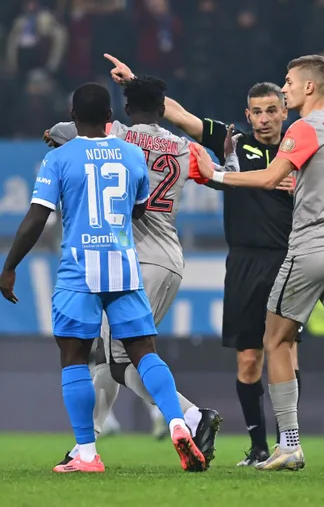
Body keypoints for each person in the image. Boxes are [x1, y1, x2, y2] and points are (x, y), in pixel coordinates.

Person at [105, 53, 303, 467]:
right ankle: (260, 447)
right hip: (245, 261)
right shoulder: (235, 143)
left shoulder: (301, 149)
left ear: (285, 111)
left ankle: (291, 443)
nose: (264, 119)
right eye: (258, 112)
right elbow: (176, 115)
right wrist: (134, 81)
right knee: (249, 360)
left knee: (285, 352)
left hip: (289, 260)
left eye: (272, 111)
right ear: (247, 114)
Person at [0, 82, 205, 473]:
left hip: (80, 268)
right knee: (144, 351)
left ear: (73, 116)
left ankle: (87, 453)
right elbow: (140, 210)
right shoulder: (131, 154)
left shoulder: (60, 158)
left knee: (76, 357)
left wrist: (9, 267)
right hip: (125, 266)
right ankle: (178, 422)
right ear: (111, 119)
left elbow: (36, 219)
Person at [44, 75, 240, 468]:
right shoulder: (185, 148)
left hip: (130, 257)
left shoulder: (116, 136)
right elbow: (224, 179)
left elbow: (64, 131)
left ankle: (190, 417)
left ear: (124, 109)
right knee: (111, 358)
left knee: (118, 360)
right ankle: (87, 444)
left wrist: (58, 134)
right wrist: (230, 155)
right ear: (164, 107)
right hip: (171, 257)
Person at [194, 54, 324, 472]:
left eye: (290, 82)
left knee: (274, 340)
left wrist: (214, 174)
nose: (286, 87)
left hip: (311, 247)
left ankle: (289, 445)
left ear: (310, 87)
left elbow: (268, 178)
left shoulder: (304, 128)